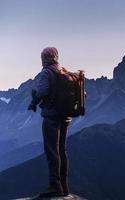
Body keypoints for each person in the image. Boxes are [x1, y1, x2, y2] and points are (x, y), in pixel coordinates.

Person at [28, 47, 71, 198]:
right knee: (62, 151)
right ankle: (64, 187)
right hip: (65, 117)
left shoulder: (47, 72)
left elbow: (42, 92)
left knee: (52, 152)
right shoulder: (63, 71)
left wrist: (35, 99)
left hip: (52, 117)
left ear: (44, 58)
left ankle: (55, 186)